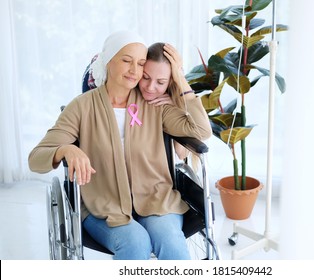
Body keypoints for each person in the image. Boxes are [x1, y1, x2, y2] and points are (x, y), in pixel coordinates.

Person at [28, 30, 212, 260]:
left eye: (141, 63)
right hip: (104, 207)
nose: (135, 71)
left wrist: (180, 79)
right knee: (136, 244)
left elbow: (202, 131)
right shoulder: (82, 107)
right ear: (108, 61)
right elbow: (36, 158)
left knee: (171, 244)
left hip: (156, 200)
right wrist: (66, 149)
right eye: (126, 61)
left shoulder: (154, 104)